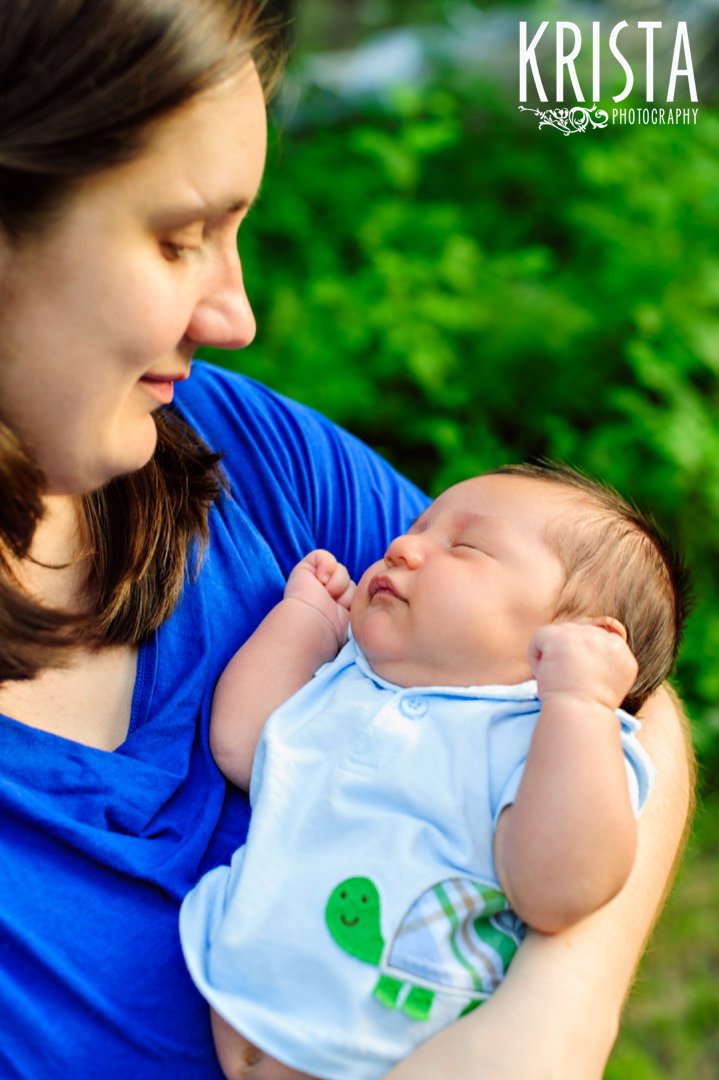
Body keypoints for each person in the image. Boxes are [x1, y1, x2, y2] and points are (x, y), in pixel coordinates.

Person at [0, 2, 694, 1078]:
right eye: (179, 237)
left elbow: (626, 694)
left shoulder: (238, 448)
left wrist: (552, 1019)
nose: (235, 315)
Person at [179, 464, 688, 1080]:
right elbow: (243, 746)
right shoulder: (353, 680)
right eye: (415, 528)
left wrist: (580, 703)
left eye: (465, 546)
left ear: (582, 637)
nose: (402, 546)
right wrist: (307, 620)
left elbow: (559, 888)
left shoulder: (553, 740)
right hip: (236, 1007)